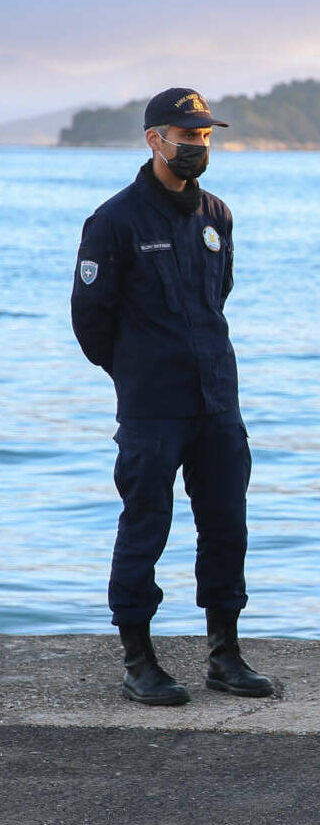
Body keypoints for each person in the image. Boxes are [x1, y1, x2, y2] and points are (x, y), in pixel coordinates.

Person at [70, 87, 273, 705]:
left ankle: (225, 656)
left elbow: (219, 295)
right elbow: (90, 321)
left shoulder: (216, 214)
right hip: (152, 406)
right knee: (145, 526)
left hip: (217, 400)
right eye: (187, 136)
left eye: (205, 136)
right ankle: (139, 661)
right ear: (154, 140)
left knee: (227, 525)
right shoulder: (114, 221)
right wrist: (136, 372)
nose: (198, 146)